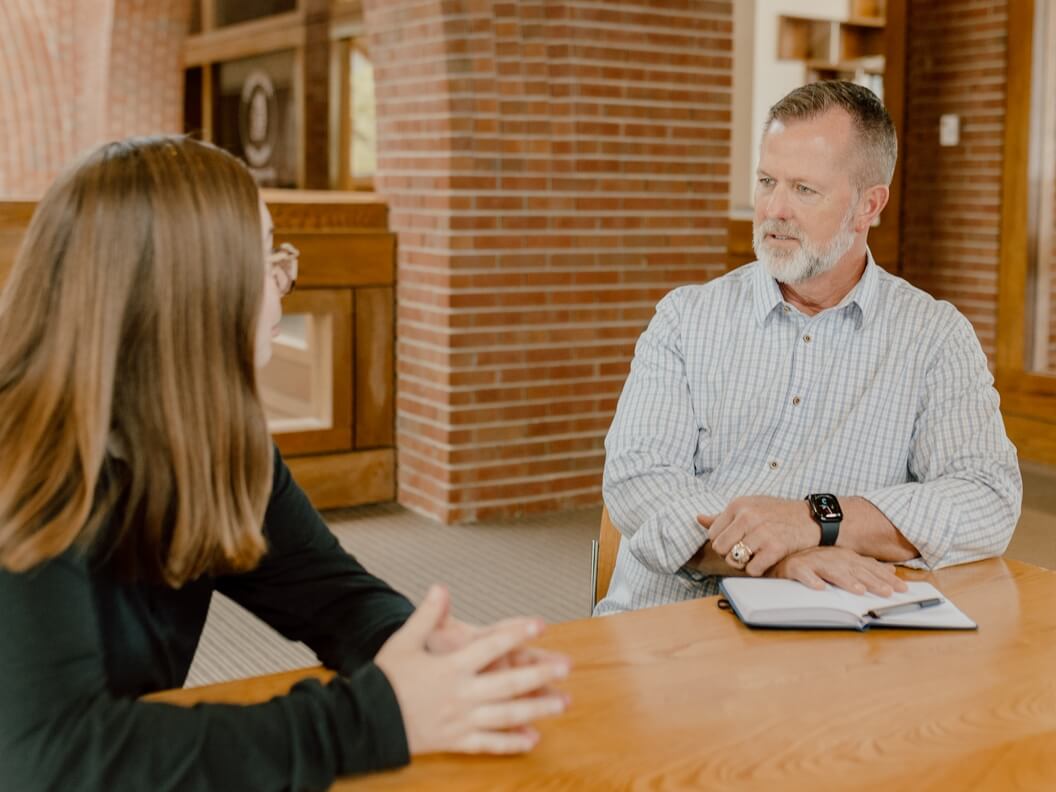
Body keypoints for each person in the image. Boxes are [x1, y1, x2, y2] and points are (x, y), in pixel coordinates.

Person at [0, 136, 571, 791]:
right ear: (191, 292)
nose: (283, 287)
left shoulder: (207, 434)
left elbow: (327, 595)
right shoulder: (22, 457)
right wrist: (377, 717)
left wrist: (412, 648)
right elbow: (50, 760)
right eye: (266, 261)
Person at [596, 81, 1022, 615]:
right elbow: (639, 480)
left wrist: (817, 519)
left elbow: (987, 498)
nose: (775, 209)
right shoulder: (686, 319)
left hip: (833, 639)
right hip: (666, 628)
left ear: (869, 204)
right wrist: (774, 559)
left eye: (804, 189)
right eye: (767, 181)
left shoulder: (933, 335)